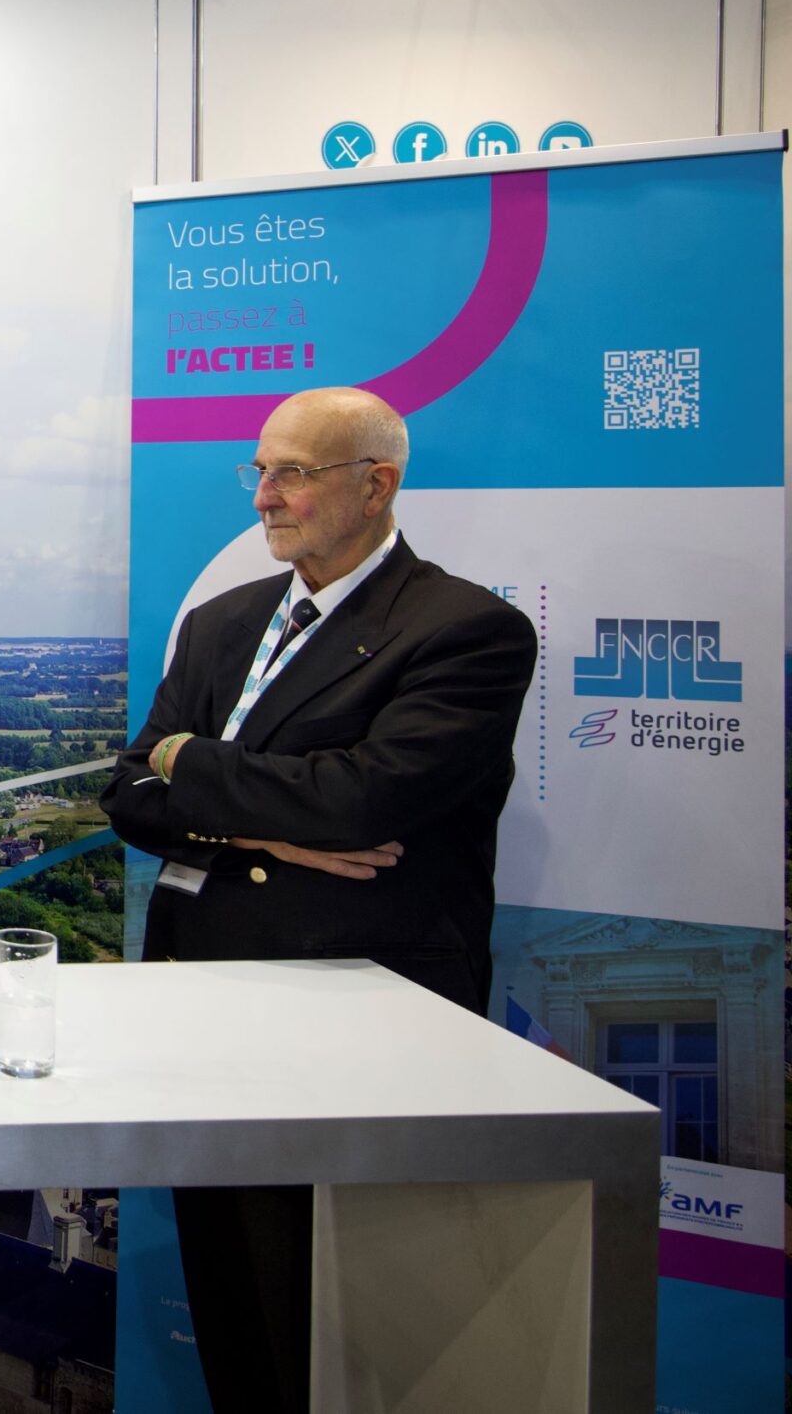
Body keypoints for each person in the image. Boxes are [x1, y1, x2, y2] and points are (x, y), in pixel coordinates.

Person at [100, 386, 537, 1414]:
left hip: (359, 1015)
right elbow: (127, 791)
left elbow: (361, 800)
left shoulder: (464, 629)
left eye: (292, 471)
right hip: (202, 1000)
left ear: (376, 483)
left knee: (346, 1326)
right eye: (259, 470)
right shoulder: (222, 621)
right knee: (233, 1310)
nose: (266, 494)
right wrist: (256, 818)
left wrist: (192, 764)